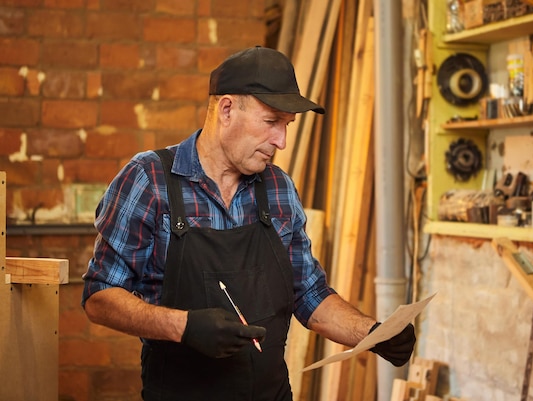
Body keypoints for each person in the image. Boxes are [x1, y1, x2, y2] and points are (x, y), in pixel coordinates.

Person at [82, 46, 415, 401]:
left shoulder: (278, 189)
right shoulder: (149, 179)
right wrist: (184, 326)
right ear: (226, 109)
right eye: (271, 122)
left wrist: (374, 333)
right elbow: (99, 295)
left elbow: (308, 294)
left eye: (287, 125)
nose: (282, 142)